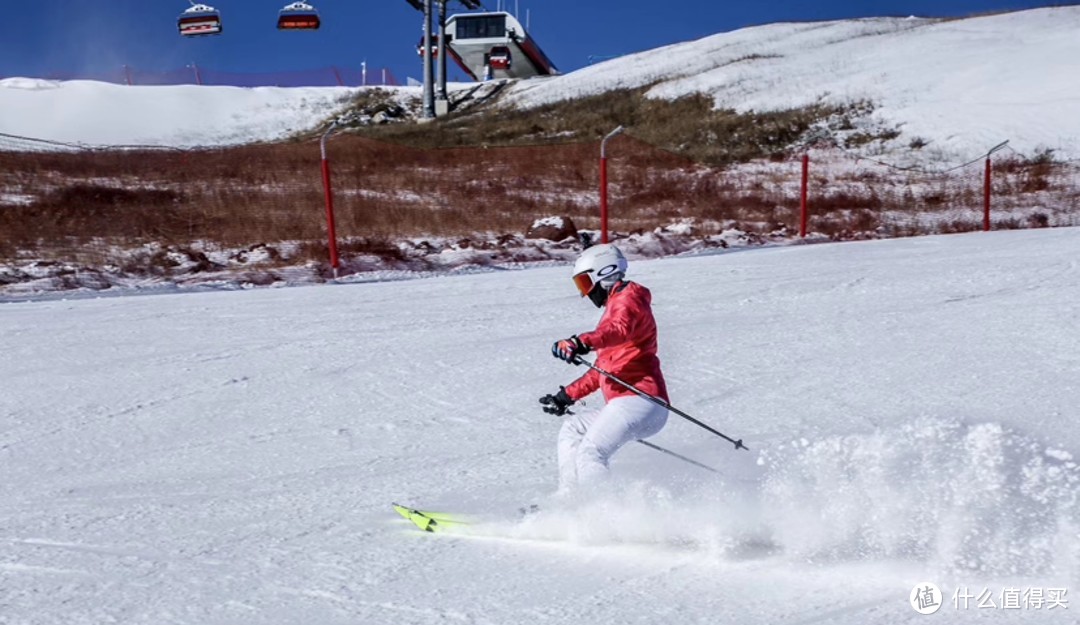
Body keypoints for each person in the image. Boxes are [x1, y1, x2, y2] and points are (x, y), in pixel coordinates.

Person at [539, 244, 669, 493]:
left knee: (591, 452)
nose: (586, 293)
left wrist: (580, 342)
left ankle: (602, 513)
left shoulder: (629, 299)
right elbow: (603, 368)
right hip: (628, 403)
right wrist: (566, 396)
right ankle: (569, 502)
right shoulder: (617, 305)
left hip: (641, 399)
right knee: (573, 429)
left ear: (604, 273)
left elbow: (618, 330)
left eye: (586, 283)